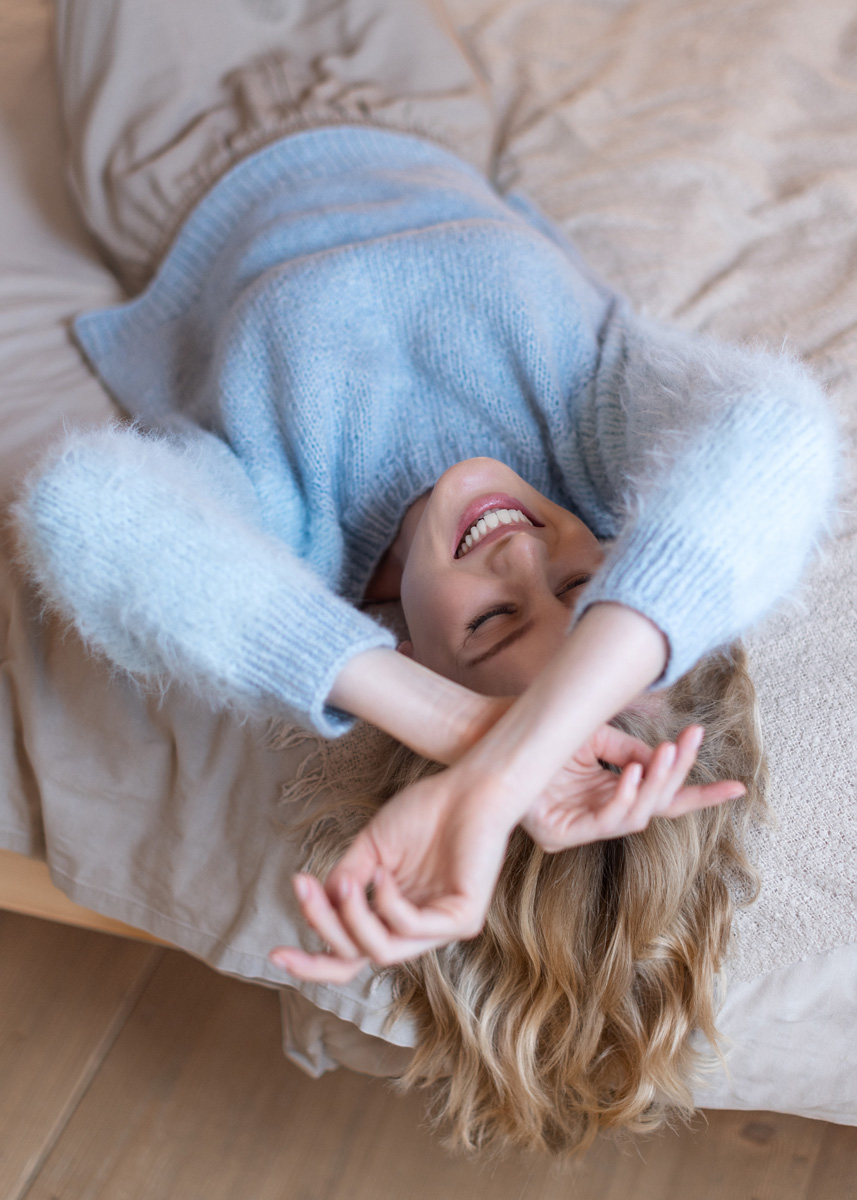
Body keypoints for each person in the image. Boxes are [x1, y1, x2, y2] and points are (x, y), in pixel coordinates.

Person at [12, 0, 839, 1149]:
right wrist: (516, 763)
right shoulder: (599, 427)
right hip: (411, 97)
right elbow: (778, 433)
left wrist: (465, 745)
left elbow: (85, 511)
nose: (520, 550)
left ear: (409, 655)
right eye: (584, 589)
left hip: (183, 137)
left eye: (493, 623)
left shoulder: (293, 530)